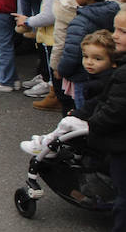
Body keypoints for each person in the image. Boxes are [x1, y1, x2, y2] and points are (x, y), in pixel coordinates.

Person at [80, 11, 126, 232]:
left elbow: (114, 110)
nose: (115, 36)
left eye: (123, 31)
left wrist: (93, 124)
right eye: (116, 29)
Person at [21, 28, 117, 158]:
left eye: (97, 59)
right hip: (97, 120)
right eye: (86, 57)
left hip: (99, 124)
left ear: (112, 62)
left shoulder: (103, 82)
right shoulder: (99, 77)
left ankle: (49, 145)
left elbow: (96, 104)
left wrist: (78, 114)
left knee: (67, 122)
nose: (89, 62)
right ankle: (52, 141)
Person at [56, 0, 120, 108]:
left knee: (83, 111)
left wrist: (62, 70)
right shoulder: (116, 12)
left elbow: (72, 53)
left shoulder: (80, 22)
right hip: (109, 73)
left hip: (83, 76)